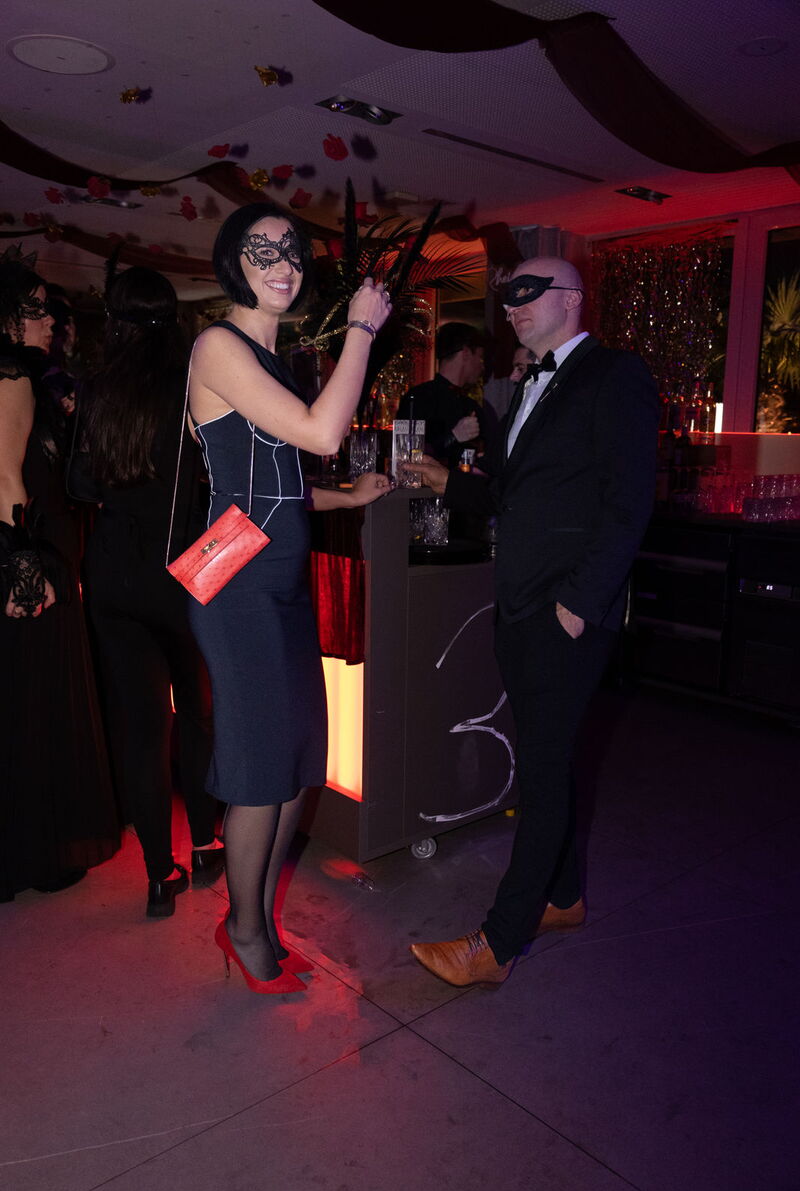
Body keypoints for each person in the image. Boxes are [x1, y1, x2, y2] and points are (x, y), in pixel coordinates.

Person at [407, 256, 659, 986]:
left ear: (571, 299)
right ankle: (566, 896)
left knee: (542, 773)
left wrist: (578, 606)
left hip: (566, 612)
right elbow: (512, 497)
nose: (512, 306)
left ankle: (498, 941)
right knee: (550, 756)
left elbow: (629, 504)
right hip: (519, 605)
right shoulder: (523, 387)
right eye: (507, 295)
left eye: (527, 293)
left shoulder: (616, 376)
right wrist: (446, 481)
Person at [188, 201, 391, 993]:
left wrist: (347, 498)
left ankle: (258, 920)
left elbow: (276, 483)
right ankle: (243, 930)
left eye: (292, 251)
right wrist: (362, 330)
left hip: (279, 581)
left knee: (298, 762)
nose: (283, 264)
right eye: (262, 249)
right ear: (231, 261)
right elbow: (320, 435)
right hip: (237, 587)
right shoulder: (218, 345)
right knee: (260, 771)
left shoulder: (275, 362)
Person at [71, 266, 223, 919]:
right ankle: (207, 845)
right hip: (182, 570)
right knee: (197, 712)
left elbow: (79, 485)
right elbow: (224, 476)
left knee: (141, 730)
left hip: (112, 574)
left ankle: (160, 875)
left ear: (116, 321)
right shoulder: (192, 384)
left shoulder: (99, 388)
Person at [0, 253, 120, 900]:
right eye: (38, 310)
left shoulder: (23, 374)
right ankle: (33, 851)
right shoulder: (12, 371)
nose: (51, 320)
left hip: (31, 548)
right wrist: (26, 570)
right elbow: (4, 477)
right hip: (28, 554)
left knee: (23, 700)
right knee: (32, 700)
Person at [396, 322, 487, 468]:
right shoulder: (418, 398)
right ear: (466, 353)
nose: (482, 366)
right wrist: (454, 436)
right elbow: (405, 453)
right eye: (480, 357)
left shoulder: (471, 406)